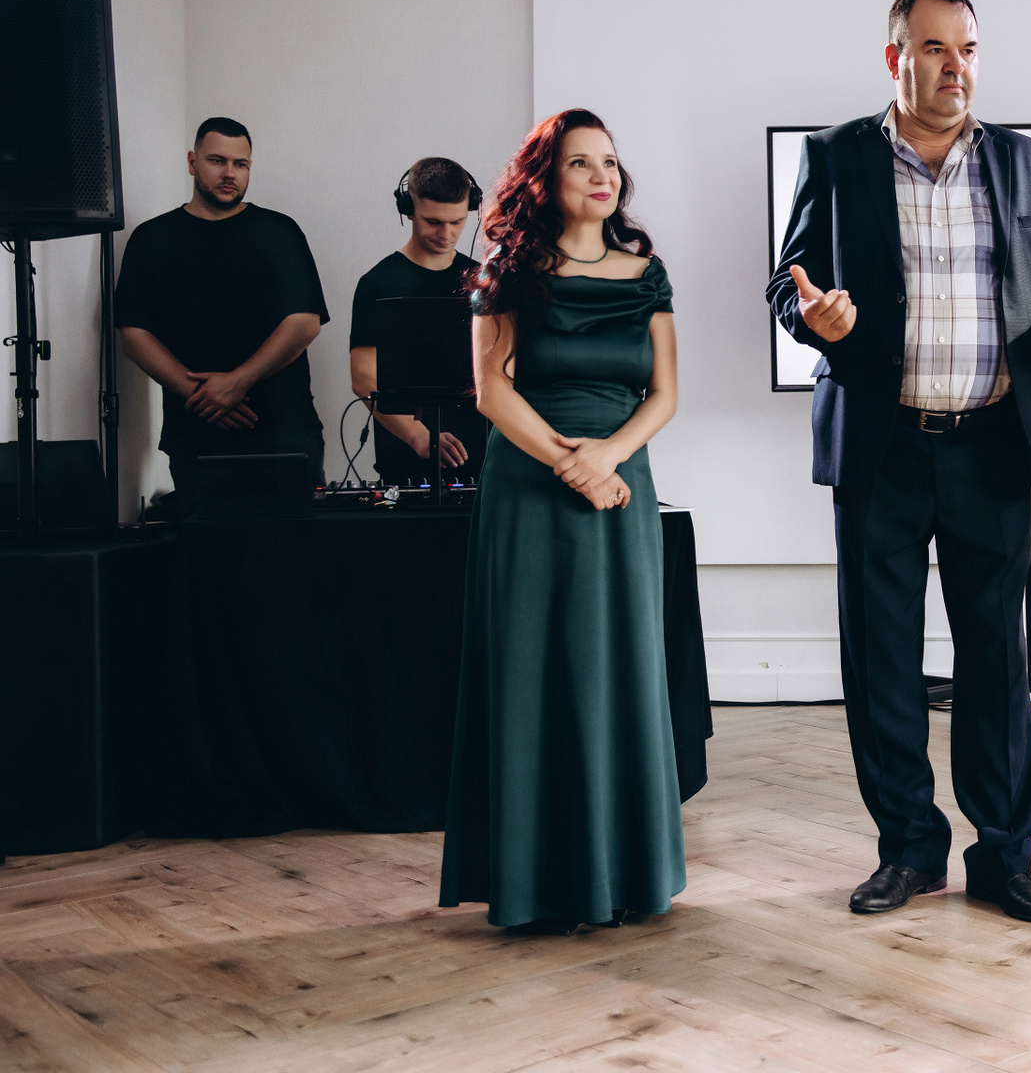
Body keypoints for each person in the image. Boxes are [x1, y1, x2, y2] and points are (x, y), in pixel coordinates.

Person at [766, 0, 1031, 925]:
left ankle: (1003, 856)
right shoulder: (835, 155)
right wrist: (812, 316)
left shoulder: (1025, 160)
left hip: (991, 444)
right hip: (880, 448)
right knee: (881, 658)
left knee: (996, 663)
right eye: (934, 48)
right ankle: (909, 849)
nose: (955, 67)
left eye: (966, 49)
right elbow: (788, 284)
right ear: (896, 58)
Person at [439, 108, 685, 932]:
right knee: (531, 672)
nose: (602, 175)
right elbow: (490, 391)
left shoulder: (647, 274)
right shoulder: (506, 269)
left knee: (618, 667)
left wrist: (608, 458)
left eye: (609, 161)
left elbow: (665, 394)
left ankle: (623, 874)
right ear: (546, 179)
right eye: (581, 163)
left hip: (620, 484)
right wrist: (569, 463)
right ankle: (533, 883)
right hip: (529, 485)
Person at [116, 117, 329, 512]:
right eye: (217, 161)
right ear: (192, 162)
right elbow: (134, 334)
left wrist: (236, 382)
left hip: (284, 431)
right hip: (195, 434)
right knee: (206, 547)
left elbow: (304, 322)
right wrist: (201, 394)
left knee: (293, 548)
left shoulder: (279, 232)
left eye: (240, 164)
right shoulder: (152, 238)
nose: (230, 173)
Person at [348, 157, 490, 485]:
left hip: (480, 452)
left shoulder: (482, 281)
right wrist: (417, 435)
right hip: (406, 457)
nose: (446, 234)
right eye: (434, 222)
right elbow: (364, 377)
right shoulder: (378, 283)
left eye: (457, 222)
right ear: (408, 209)